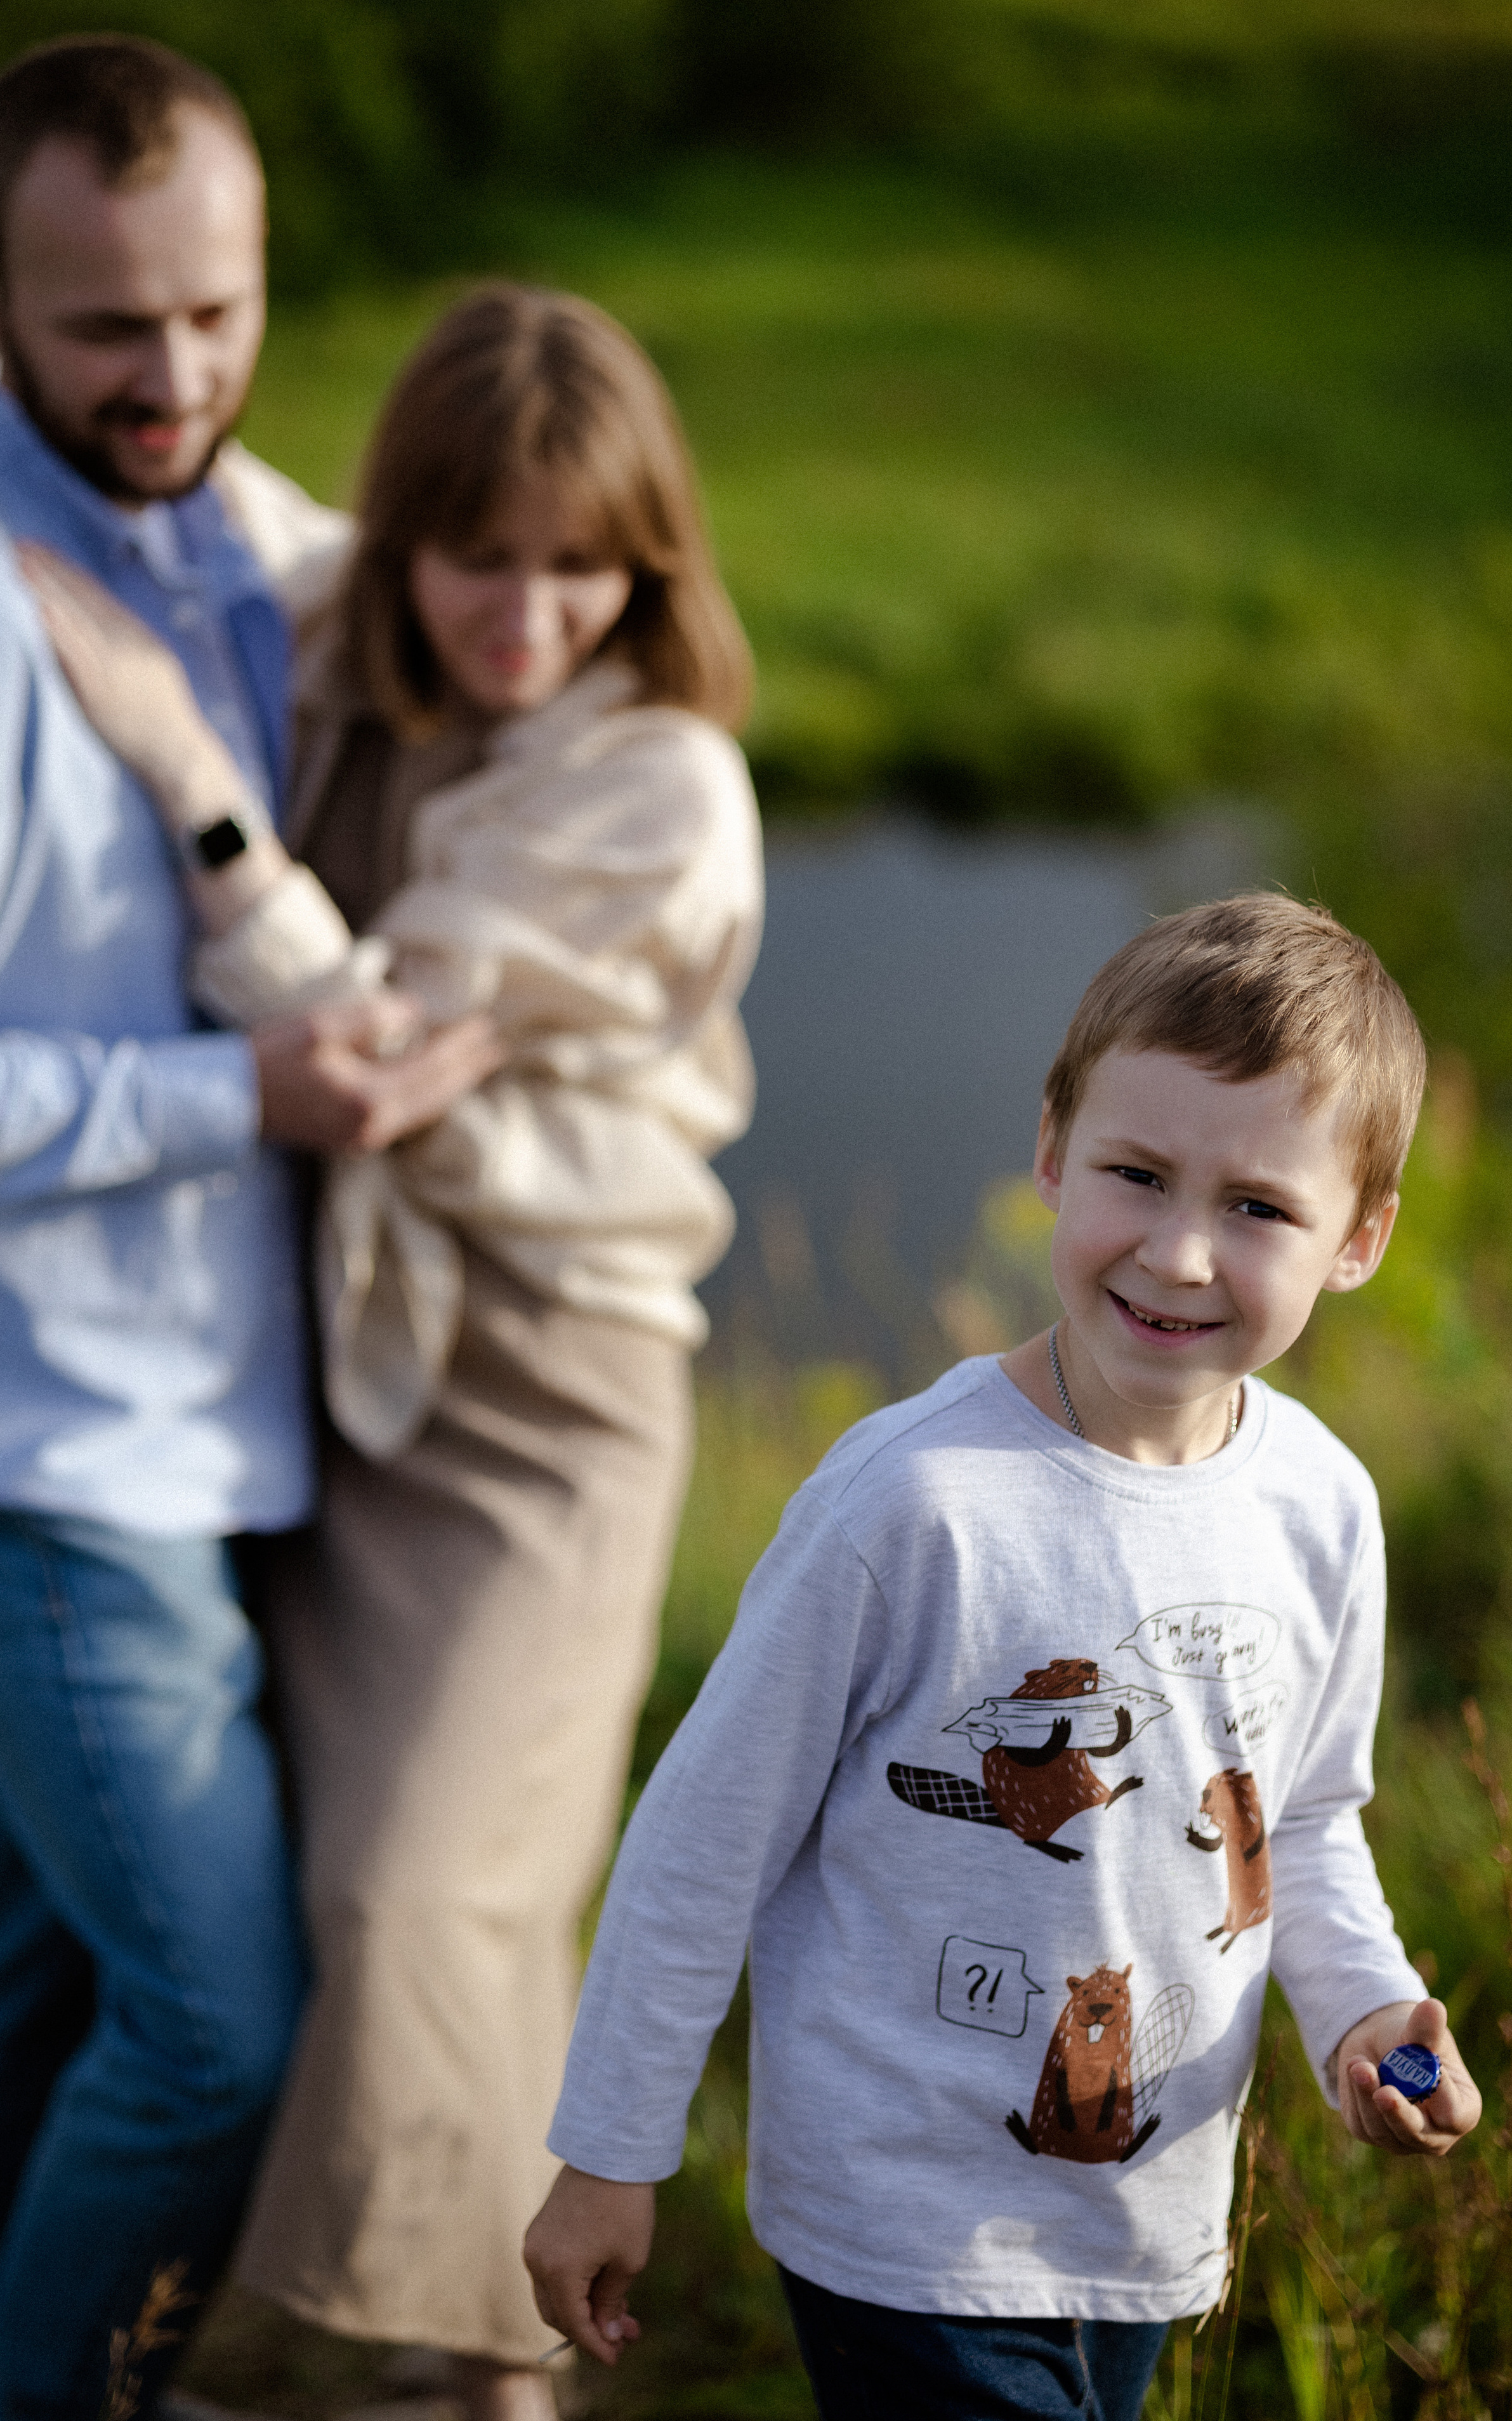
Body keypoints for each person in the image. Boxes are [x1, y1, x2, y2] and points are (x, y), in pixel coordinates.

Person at [16, 282, 763, 2418]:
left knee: (421, 1882)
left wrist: (188, 770)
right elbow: (229, 491)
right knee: (408, 1893)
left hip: (546, 1399)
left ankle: (471, 2341)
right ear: (413, 538)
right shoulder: (374, 626)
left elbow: (363, 1054)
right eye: (479, 557)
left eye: (581, 564)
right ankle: (479, 2356)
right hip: (329, 1370)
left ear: (651, 562)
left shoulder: (658, 786)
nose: (525, 613)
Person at [523, 892, 1482, 2421]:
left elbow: (1294, 1817)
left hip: (1147, 2221)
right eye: (1134, 1174)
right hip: (903, 2229)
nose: (1175, 1251)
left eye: (1255, 1207)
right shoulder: (908, 1503)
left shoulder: (1317, 1508)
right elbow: (703, 1843)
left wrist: (1364, 2010)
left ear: (1356, 1238)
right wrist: (610, 2151)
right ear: (1050, 1148)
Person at [0, 37, 496, 2419]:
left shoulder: (249, 531)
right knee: (220, 2025)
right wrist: (236, 1091)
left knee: (30, 1972)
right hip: (36, 1446)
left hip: (200, 1414)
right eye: (106, 330)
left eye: (218, 317)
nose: (177, 381)